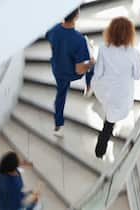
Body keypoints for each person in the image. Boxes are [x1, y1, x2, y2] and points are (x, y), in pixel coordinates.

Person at [92, 17, 140, 158]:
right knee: (110, 121)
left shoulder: (103, 50)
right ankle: (101, 148)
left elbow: (98, 73)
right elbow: (138, 75)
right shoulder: (134, 53)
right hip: (122, 97)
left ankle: (100, 150)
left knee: (108, 120)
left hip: (106, 93)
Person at [46, 8, 95, 137]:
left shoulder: (54, 29)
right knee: (92, 63)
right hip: (71, 73)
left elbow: (51, 43)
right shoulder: (79, 40)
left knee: (60, 95)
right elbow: (79, 69)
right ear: (77, 16)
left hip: (57, 69)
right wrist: (91, 62)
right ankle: (88, 87)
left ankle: (58, 126)